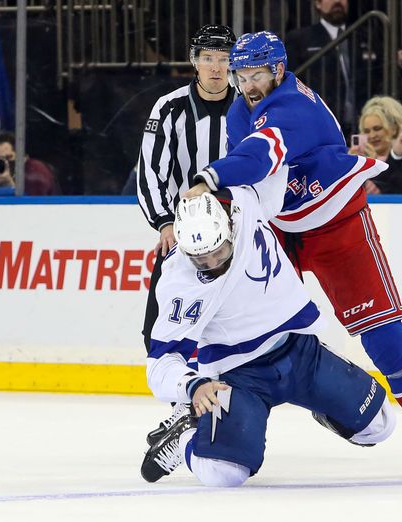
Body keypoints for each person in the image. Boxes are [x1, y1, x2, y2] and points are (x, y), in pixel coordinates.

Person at [182, 31, 402, 478]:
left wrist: (208, 177)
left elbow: (259, 157)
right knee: (231, 314)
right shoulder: (238, 107)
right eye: (239, 74)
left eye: (255, 74)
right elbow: (250, 178)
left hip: (336, 223)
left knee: (384, 334)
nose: (246, 84)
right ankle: (191, 402)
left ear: (279, 70)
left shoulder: (293, 108)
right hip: (280, 229)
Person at [141, 174, 402, 486]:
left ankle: (323, 406)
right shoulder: (179, 283)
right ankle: (185, 436)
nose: (212, 263)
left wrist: (210, 176)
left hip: (299, 351)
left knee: (380, 425)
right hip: (238, 377)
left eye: (218, 252)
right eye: (200, 258)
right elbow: (160, 363)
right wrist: (194, 386)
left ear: (228, 227)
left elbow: (271, 146)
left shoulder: (246, 204)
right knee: (223, 475)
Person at [135, 24, 237, 444]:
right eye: (208, 58)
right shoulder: (170, 107)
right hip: (186, 237)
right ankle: (184, 401)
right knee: (158, 328)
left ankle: (205, 405)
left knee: (235, 323)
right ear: (194, 61)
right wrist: (165, 222)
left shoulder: (248, 106)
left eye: (224, 58)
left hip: (240, 236)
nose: (216, 67)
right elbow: (149, 171)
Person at [284, 0, 382, 136]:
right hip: (321, 125)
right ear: (318, 4)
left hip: (363, 124)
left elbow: (379, 78)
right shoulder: (299, 39)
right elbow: (291, 84)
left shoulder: (364, 36)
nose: (338, 2)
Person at [353, 96, 402, 195]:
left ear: (394, 129)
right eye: (367, 131)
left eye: (377, 129)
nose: (372, 135)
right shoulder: (361, 162)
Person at [0, 132, 59, 196]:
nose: (4, 163)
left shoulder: (35, 170)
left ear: (23, 158)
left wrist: (8, 183)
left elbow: (32, 210)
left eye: (8, 158)